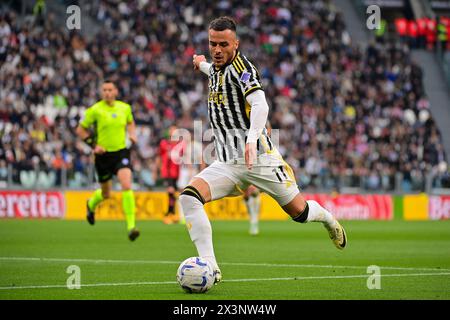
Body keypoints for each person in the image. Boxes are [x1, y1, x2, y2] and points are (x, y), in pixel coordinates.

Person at [182, 16, 347, 285]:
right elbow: (209, 68)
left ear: (236, 43)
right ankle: (210, 265)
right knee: (189, 197)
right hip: (226, 162)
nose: (217, 49)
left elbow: (260, 105)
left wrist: (250, 140)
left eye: (224, 44)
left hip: (259, 159)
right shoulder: (216, 68)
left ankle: (328, 219)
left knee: (300, 213)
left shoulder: (244, 70)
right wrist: (199, 62)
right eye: (213, 44)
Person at [76, 80, 140, 241]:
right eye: (104, 90)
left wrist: (132, 134)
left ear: (116, 91)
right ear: (101, 92)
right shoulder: (95, 110)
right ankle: (91, 204)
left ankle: (131, 226)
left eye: (110, 89)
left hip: (121, 153)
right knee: (106, 194)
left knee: (126, 184)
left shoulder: (125, 108)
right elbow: (80, 129)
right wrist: (93, 145)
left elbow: (131, 123)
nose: (107, 93)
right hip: (102, 156)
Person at [158, 125, 184, 224]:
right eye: (171, 130)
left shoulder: (180, 144)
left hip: (178, 173)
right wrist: (157, 170)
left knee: (175, 193)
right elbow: (159, 157)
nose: (172, 132)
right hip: (167, 172)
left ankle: (172, 214)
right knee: (171, 191)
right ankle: (170, 214)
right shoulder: (163, 143)